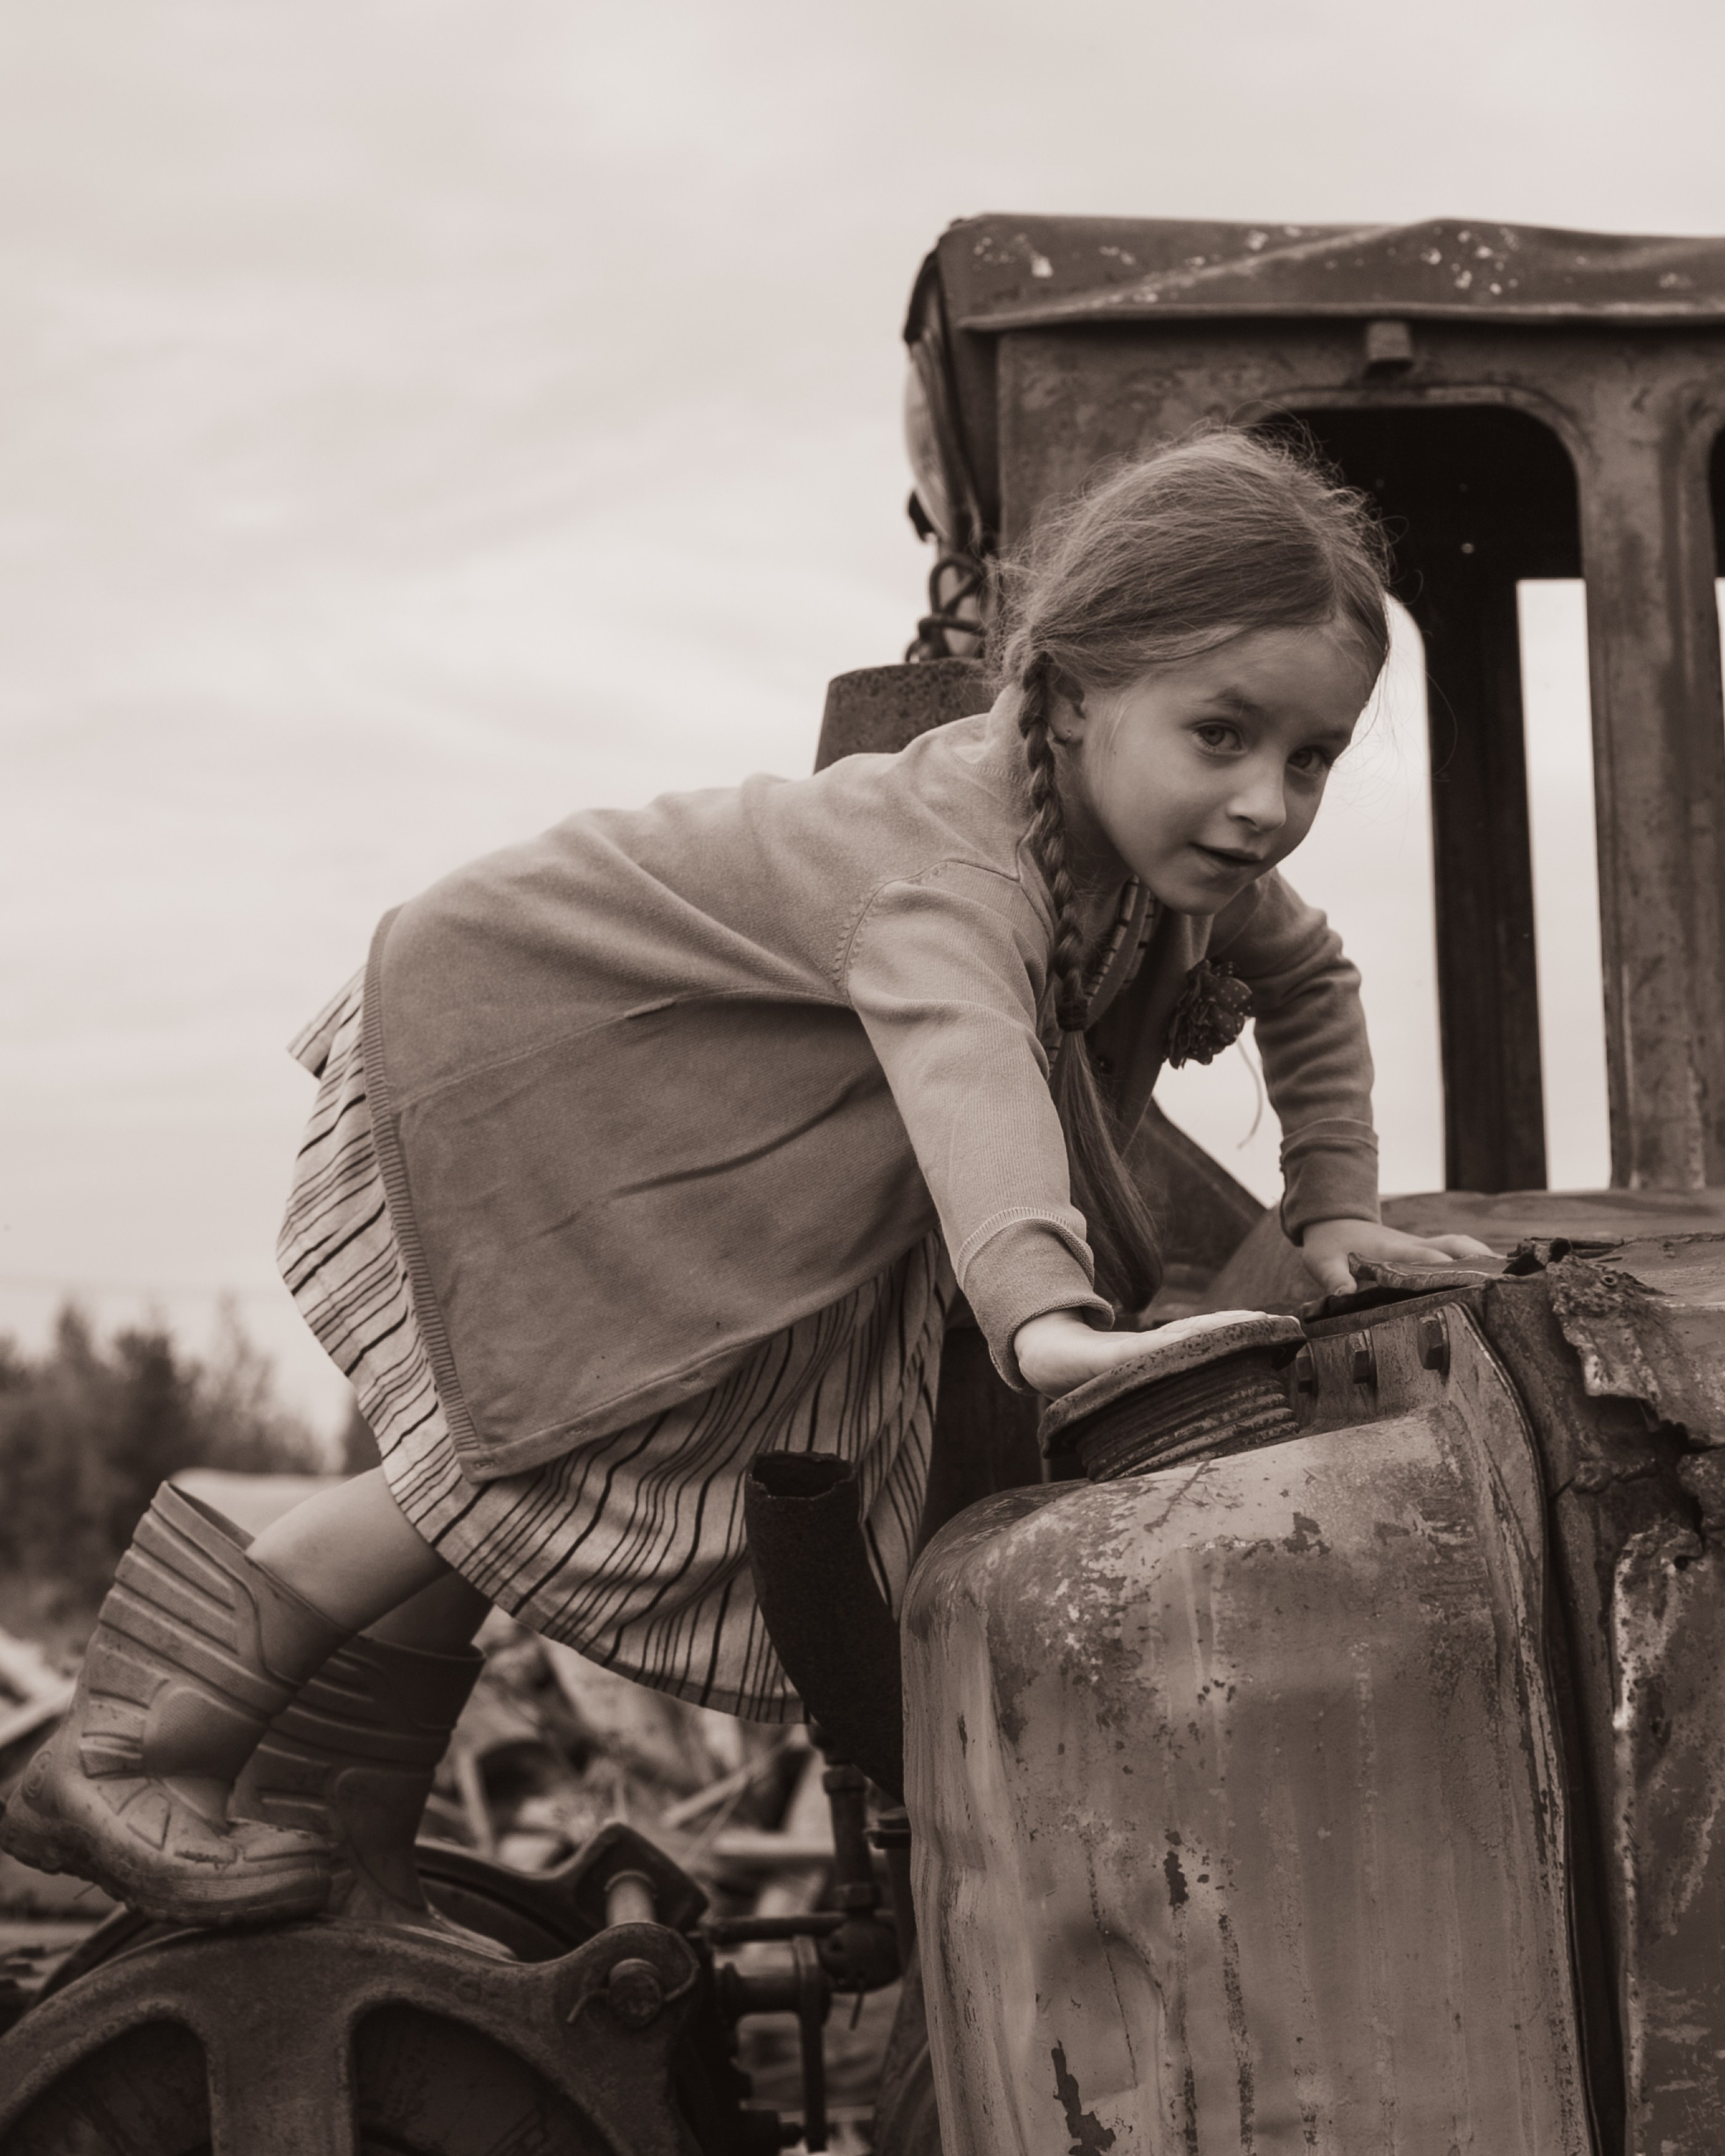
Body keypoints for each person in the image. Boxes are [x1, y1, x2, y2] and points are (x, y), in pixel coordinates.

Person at [1, 429, 1492, 1928]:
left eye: (1310, 758)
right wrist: (1043, 1313)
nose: (1264, 802)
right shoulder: (953, 865)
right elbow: (967, 1062)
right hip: (546, 1056)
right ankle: (128, 1750)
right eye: (1221, 736)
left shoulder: (1148, 864)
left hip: (690, 1142)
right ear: (1075, 688)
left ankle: (328, 1856)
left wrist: (1334, 1210)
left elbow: (1310, 979)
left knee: (521, 1466)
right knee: (514, 1468)